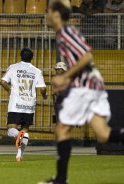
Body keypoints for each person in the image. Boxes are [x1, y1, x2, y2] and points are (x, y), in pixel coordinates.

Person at [38, 1, 124, 183]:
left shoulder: (66, 33)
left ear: (56, 15)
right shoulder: (65, 33)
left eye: (48, 12)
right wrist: (68, 79)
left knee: (62, 129)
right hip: (91, 84)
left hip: (86, 87)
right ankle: (61, 179)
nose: (46, 15)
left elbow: (87, 57)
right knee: (103, 134)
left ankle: (61, 179)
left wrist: (64, 77)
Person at [1, 48, 47, 162]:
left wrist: (10, 91)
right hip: (29, 105)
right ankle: (19, 155)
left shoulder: (13, 67)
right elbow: (42, 89)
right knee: (24, 130)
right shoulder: (37, 71)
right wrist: (44, 95)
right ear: (32, 57)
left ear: (20, 56)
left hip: (16, 103)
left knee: (11, 130)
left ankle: (23, 138)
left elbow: (3, 82)